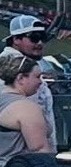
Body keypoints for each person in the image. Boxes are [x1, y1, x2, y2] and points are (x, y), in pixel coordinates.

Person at [3, 15, 57, 151]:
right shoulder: (8, 66)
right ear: (16, 39)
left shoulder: (27, 65)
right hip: (25, 161)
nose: (39, 43)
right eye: (34, 37)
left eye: (43, 38)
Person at [0, 53, 54, 163]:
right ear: (20, 78)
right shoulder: (27, 108)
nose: (40, 81)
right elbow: (40, 152)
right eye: (37, 76)